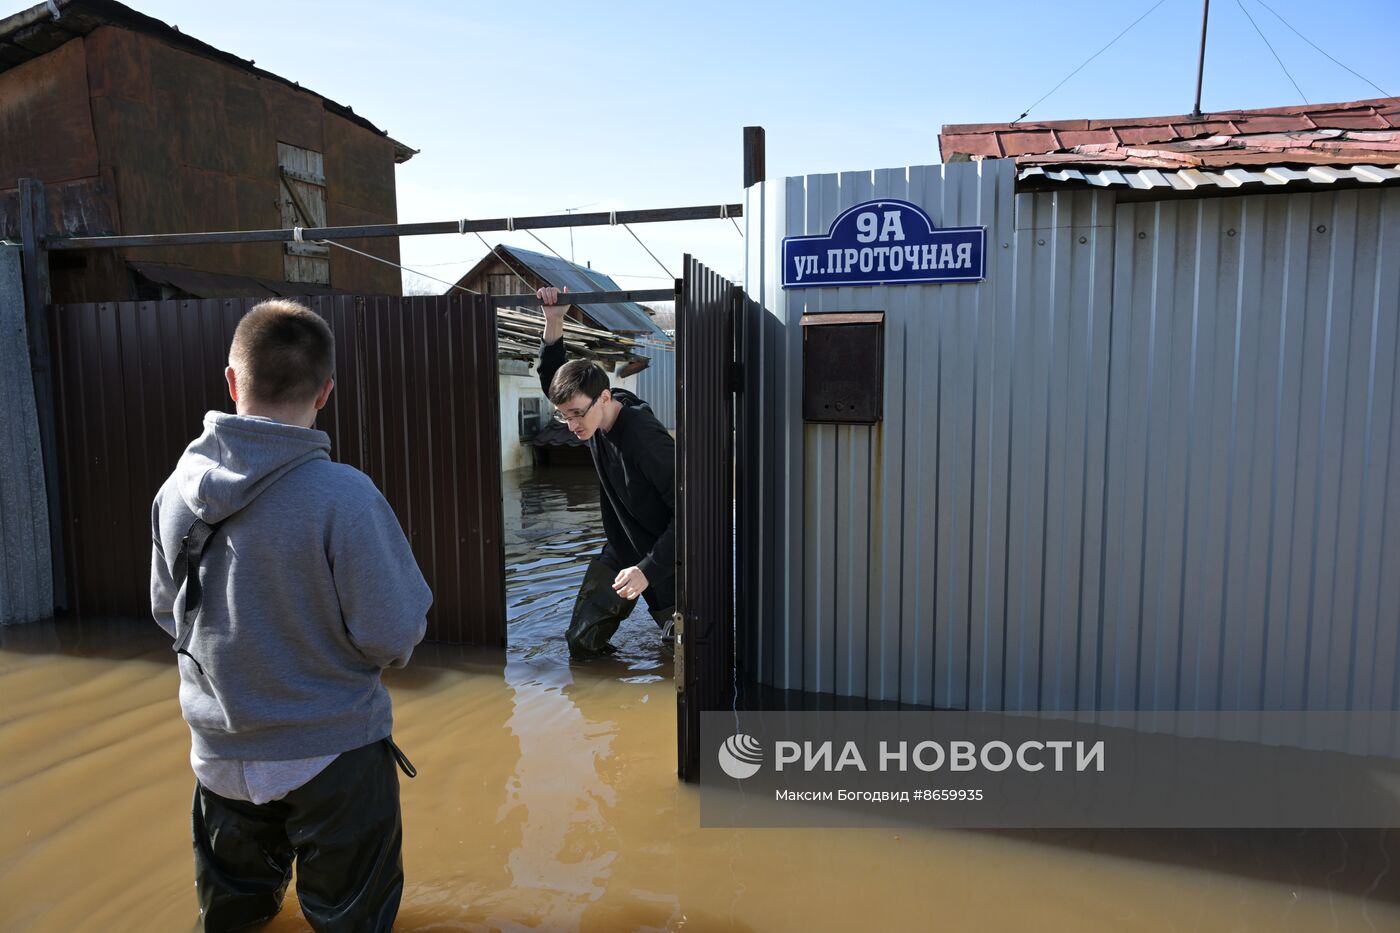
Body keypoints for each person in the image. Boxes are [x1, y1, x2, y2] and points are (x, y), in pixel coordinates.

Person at [149, 299, 431, 932]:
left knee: (232, 920)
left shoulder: (175, 494)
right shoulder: (344, 496)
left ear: (231, 381)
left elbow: (170, 616)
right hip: (334, 755)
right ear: (326, 391)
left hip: (219, 755)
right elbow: (392, 633)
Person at [536, 286, 677, 657]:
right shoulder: (592, 419)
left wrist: (647, 569)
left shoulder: (645, 439)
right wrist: (554, 320)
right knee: (582, 643)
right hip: (622, 547)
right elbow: (555, 379)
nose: (571, 426)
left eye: (577, 415)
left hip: (667, 560)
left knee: (679, 656)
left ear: (604, 398)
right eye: (563, 416)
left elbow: (693, 512)